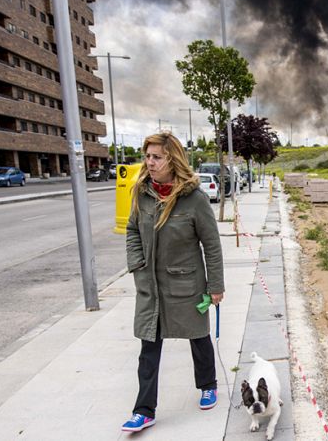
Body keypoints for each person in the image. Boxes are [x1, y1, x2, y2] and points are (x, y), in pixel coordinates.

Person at [122, 133, 225, 432]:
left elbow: (212, 244)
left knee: (198, 336)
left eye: (156, 157)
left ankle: (208, 384)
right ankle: (144, 410)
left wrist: (215, 285)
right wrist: (136, 264)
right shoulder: (141, 192)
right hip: (150, 286)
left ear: (172, 159)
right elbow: (132, 230)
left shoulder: (194, 198)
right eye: (147, 156)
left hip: (186, 283)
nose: (149, 163)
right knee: (148, 347)